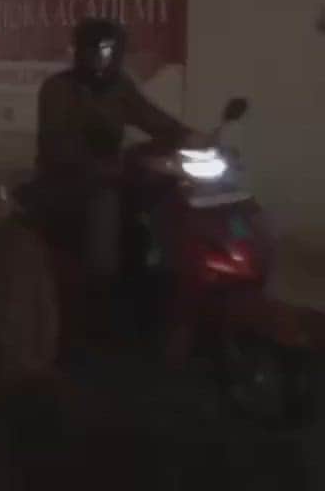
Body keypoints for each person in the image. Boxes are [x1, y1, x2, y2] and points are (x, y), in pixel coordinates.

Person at [32, 18, 204, 338]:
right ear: (80, 52)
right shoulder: (58, 89)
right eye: (98, 50)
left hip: (112, 172)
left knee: (168, 193)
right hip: (66, 180)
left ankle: (160, 283)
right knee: (106, 205)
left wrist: (190, 136)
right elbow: (57, 145)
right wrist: (105, 164)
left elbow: (149, 116)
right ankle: (101, 300)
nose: (105, 58)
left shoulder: (119, 86)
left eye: (113, 51)